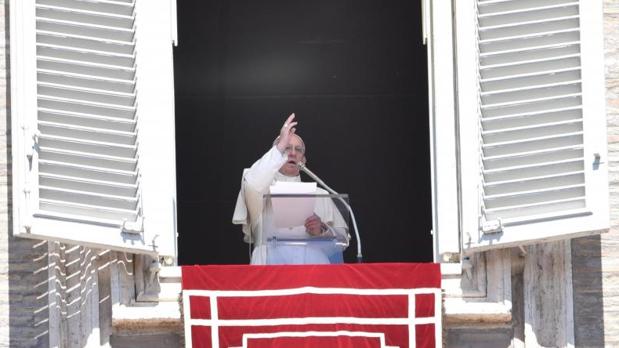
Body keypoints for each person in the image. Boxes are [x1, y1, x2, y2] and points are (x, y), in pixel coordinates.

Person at [232, 113, 349, 264]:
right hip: (270, 270)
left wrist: (322, 230)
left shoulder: (322, 195)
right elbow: (253, 182)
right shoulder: (261, 192)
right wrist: (279, 146)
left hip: (313, 272)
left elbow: (342, 242)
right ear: (276, 154)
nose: (293, 153)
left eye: (298, 149)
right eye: (287, 148)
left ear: (303, 160)